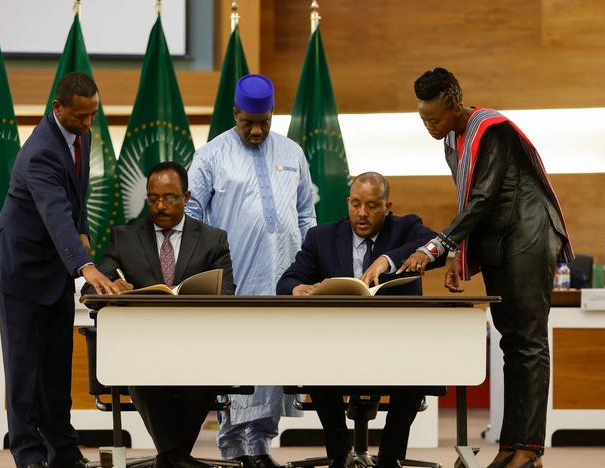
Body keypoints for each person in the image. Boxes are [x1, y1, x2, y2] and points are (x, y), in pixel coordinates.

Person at [365, 67, 573, 468]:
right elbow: (470, 207)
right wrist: (457, 255)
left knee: (529, 342)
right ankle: (512, 445)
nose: (429, 126)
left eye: (435, 118)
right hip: (499, 241)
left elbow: (482, 199)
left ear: (456, 106)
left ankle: (530, 449)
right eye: (423, 118)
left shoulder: (491, 129)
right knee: (511, 344)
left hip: (528, 234)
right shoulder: (453, 140)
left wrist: (438, 246)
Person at [0, 72, 120, 468]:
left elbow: (75, 198)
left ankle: (63, 450)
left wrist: (84, 233)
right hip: (20, 268)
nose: (87, 124)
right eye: (80, 116)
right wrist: (85, 265)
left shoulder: (83, 135)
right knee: (24, 368)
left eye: (93, 115)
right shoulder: (39, 150)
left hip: (55, 265)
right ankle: (28, 454)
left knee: (57, 366)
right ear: (56, 108)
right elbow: (53, 210)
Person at [186, 74, 316, 468]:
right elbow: (192, 218)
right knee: (238, 363)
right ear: (235, 114)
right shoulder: (210, 156)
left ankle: (259, 447)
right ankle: (232, 448)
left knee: (274, 361)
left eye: (265, 121)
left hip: (286, 278)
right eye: (248, 123)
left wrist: (312, 265)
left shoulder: (292, 152)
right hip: (236, 280)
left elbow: (307, 213)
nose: (257, 130)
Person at [277, 172, 443, 468]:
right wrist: (296, 287)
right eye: (355, 204)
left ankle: (389, 459)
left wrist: (388, 260)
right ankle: (340, 455)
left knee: (416, 370)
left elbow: (436, 244)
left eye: (372, 206)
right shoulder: (322, 237)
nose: (362, 213)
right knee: (317, 365)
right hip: (339, 346)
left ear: (387, 206)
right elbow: (288, 279)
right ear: (347, 203)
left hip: (395, 347)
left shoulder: (406, 229)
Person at [83, 161, 234, 468]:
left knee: (206, 370)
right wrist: (111, 285)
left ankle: (170, 458)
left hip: (196, 345)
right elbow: (94, 288)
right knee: (137, 369)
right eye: (153, 199)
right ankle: (177, 459)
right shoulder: (124, 237)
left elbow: (226, 293)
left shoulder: (212, 239)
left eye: (169, 198)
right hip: (142, 346)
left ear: (187, 197)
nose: (160, 206)